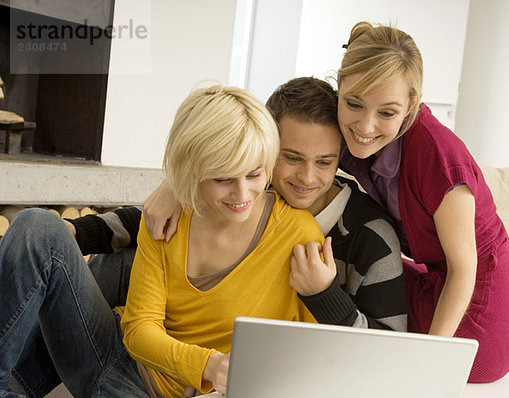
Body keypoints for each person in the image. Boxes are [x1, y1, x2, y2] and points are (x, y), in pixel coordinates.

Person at [0, 85, 322, 397]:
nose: (242, 194)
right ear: (192, 171)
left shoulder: (298, 234)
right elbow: (139, 330)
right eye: (222, 178)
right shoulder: (167, 217)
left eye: (254, 175)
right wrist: (206, 365)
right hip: (115, 359)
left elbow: (310, 353)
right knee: (36, 226)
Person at [68, 77, 407, 331]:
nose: (306, 178)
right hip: (197, 346)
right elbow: (169, 221)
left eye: (324, 162)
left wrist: (322, 294)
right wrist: (175, 183)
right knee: (125, 259)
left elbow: (390, 353)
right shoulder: (259, 186)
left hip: (275, 370)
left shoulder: (371, 238)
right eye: (291, 158)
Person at [335, 21, 509, 382]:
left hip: (476, 313)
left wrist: (431, 365)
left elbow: (464, 269)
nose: (365, 125)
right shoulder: (349, 131)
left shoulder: (437, 155)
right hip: (436, 278)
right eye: (353, 103)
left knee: (338, 277)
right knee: (335, 260)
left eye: (387, 112)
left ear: (411, 105)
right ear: (339, 90)